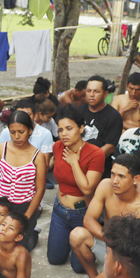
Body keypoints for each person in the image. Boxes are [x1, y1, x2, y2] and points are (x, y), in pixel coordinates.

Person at [69, 154, 140, 278]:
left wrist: (109, 267)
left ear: (135, 179)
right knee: (77, 235)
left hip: (130, 255)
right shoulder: (105, 186)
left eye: (121, 176)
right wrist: (110, 250)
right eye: (112, 174)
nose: (115, 181)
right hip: (109, 242)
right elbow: (89, 220)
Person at [47, 105, 104, 269]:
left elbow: (87, 189)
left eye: (69, 128)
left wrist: (74, 163)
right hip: (59, 210)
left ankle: (94, 241)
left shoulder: (95, 154)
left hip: (82, 213)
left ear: (81, 128)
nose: (64, 134)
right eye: (60, 130)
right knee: (55, 259)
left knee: (79, 268)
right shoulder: (57, 147)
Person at [0, 111, 47, 251]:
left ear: (30, 130)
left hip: (25, 208)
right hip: (2, 206)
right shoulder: (0, 150)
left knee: (18, 249)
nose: (17, 136)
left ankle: (32, 235)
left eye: (21, 132)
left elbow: (40, 189)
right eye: (12, 132)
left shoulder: (37, 156)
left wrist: (26, 217)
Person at [79, 75, 123, 173]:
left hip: (99, 166)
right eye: (88, 91)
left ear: (105, 94)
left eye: (96, 91)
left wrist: (89, 159)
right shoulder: (79, 111)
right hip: (76, 161)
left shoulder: (113, 116)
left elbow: (110, 147)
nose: (91, 94)